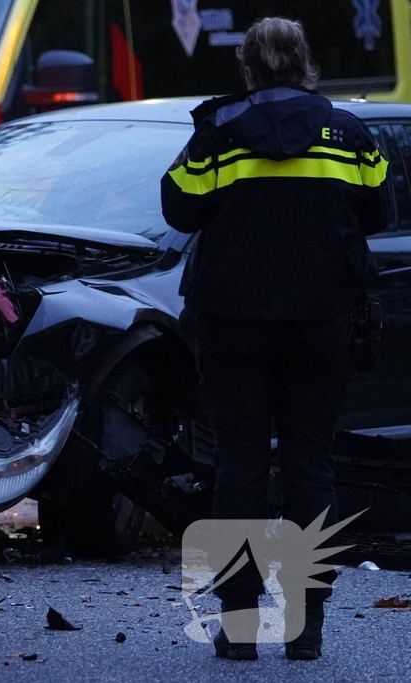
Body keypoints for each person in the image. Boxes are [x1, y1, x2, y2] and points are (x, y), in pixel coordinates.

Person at [161, 17, 388, 661]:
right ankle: (307, 624)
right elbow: (378, 211)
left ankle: (238, 626)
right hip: (322, 324)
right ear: (305, 62)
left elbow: (177, 207)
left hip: (233, 326)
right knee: (311, 467)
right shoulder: (346, 133)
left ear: (250, 67)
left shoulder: (219, 135)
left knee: (239, 468)